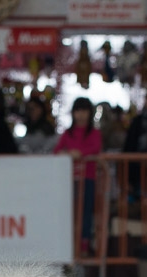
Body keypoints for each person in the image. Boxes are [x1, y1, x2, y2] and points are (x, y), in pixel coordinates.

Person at [54, 97, 103, 253]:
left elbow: (96, 148)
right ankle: (67, 243)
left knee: (85, 212)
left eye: (84, 111)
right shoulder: (68, 133)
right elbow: (56, 151)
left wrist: (79, 153)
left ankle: (84, 243)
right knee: (68, 212)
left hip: (87, 178)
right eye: (77, 111)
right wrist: (66, 153)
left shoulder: (94, 133)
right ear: (73, 113)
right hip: (68, 179)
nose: (80, 115)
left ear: (90, 113)